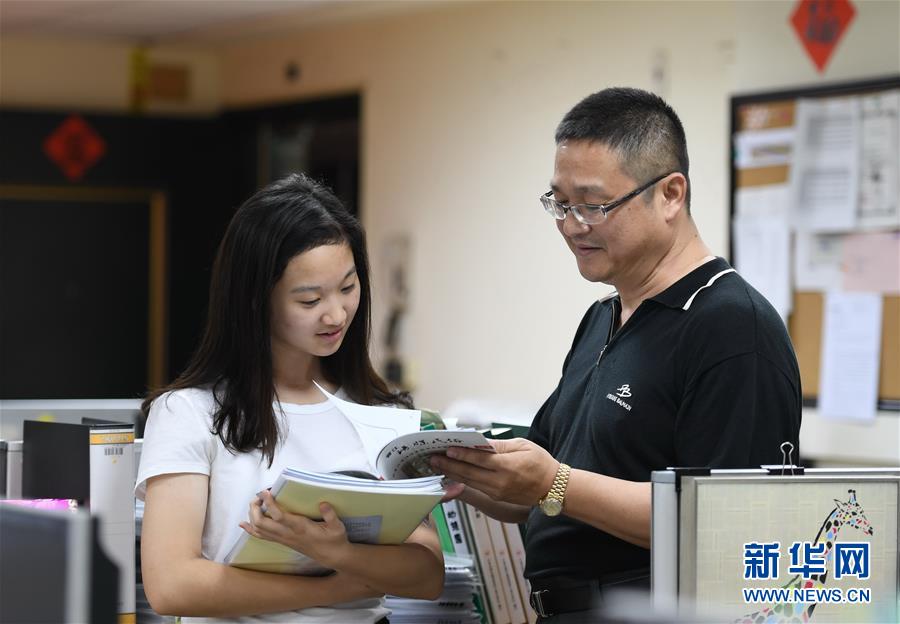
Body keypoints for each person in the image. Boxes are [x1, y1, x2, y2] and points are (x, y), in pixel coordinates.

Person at [431, 87, 802, 621]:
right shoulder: (603, 317)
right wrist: (451, 470)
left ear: (671, 194)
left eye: (593, 205)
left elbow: (726, 523)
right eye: (559, 202)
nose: (570, 224)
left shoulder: (731, 325)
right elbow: (536, 486)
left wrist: (554, 482)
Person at [136, 174, 444, 623]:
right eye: (309, 299)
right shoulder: (190, 412)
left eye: (348, 287)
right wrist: (337, 586)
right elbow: (172, 584)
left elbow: (426, 574)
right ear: (255, 301)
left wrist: (332, 549)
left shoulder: (384, 415)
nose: (336, 314)